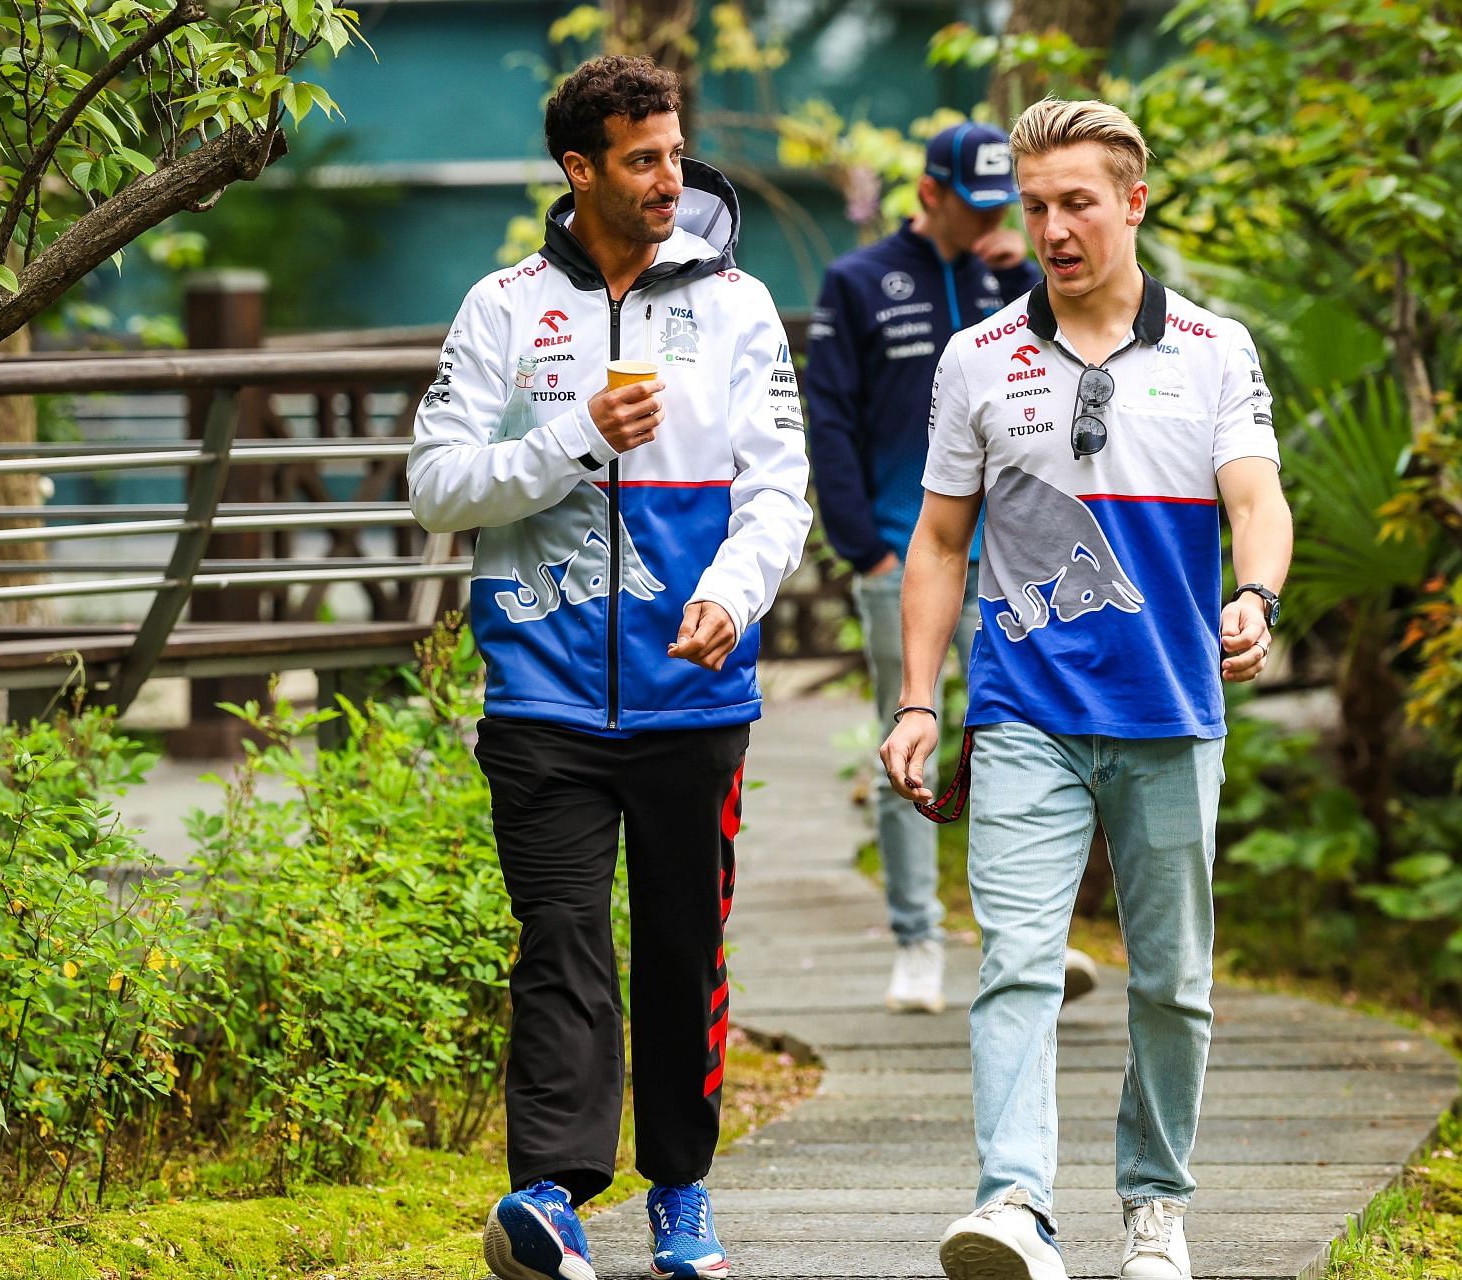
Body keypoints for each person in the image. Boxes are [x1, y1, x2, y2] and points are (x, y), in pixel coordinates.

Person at [407, 55, 810, 1280]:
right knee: (564, 942)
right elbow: (436, 489)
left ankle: (681, 1195)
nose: (670, 179)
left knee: (686, 949)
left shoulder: (739, 306)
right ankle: (549, 1192)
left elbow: (779, 492)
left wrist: (730, 595)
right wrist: (575, 438)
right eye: (642, 160)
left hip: (697, 689)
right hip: (540, 691)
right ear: (579, 169)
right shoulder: (503, 306)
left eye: (676, 154)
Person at [878, 98, 1294, 1280]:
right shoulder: (977, 358)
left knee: (1173, 979)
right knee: (1015, 956)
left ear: (1133, 203)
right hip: (1024, 712)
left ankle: (1155, 1204)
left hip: (1172, 711)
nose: (1054, 228)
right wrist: (918, 701)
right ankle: (1013, 1201)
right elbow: (940, 542)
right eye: (1038, 205)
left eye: (1079, 203)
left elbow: (1257, 501)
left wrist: (1254, 598)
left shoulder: (1215, 350)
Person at [806, 122, 1097, 1014]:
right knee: (913, 743)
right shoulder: (858, 282)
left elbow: (1070, 380)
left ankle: (1028, 940)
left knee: (1030, 742)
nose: (991, 223)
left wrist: (1017, 276)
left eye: (1000, 207)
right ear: (928, 195)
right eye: (974, 209)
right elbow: (828, 418)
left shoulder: (1015, 276)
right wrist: (865, 546)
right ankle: (918, 940)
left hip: (1018, 568)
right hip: (906, 554)